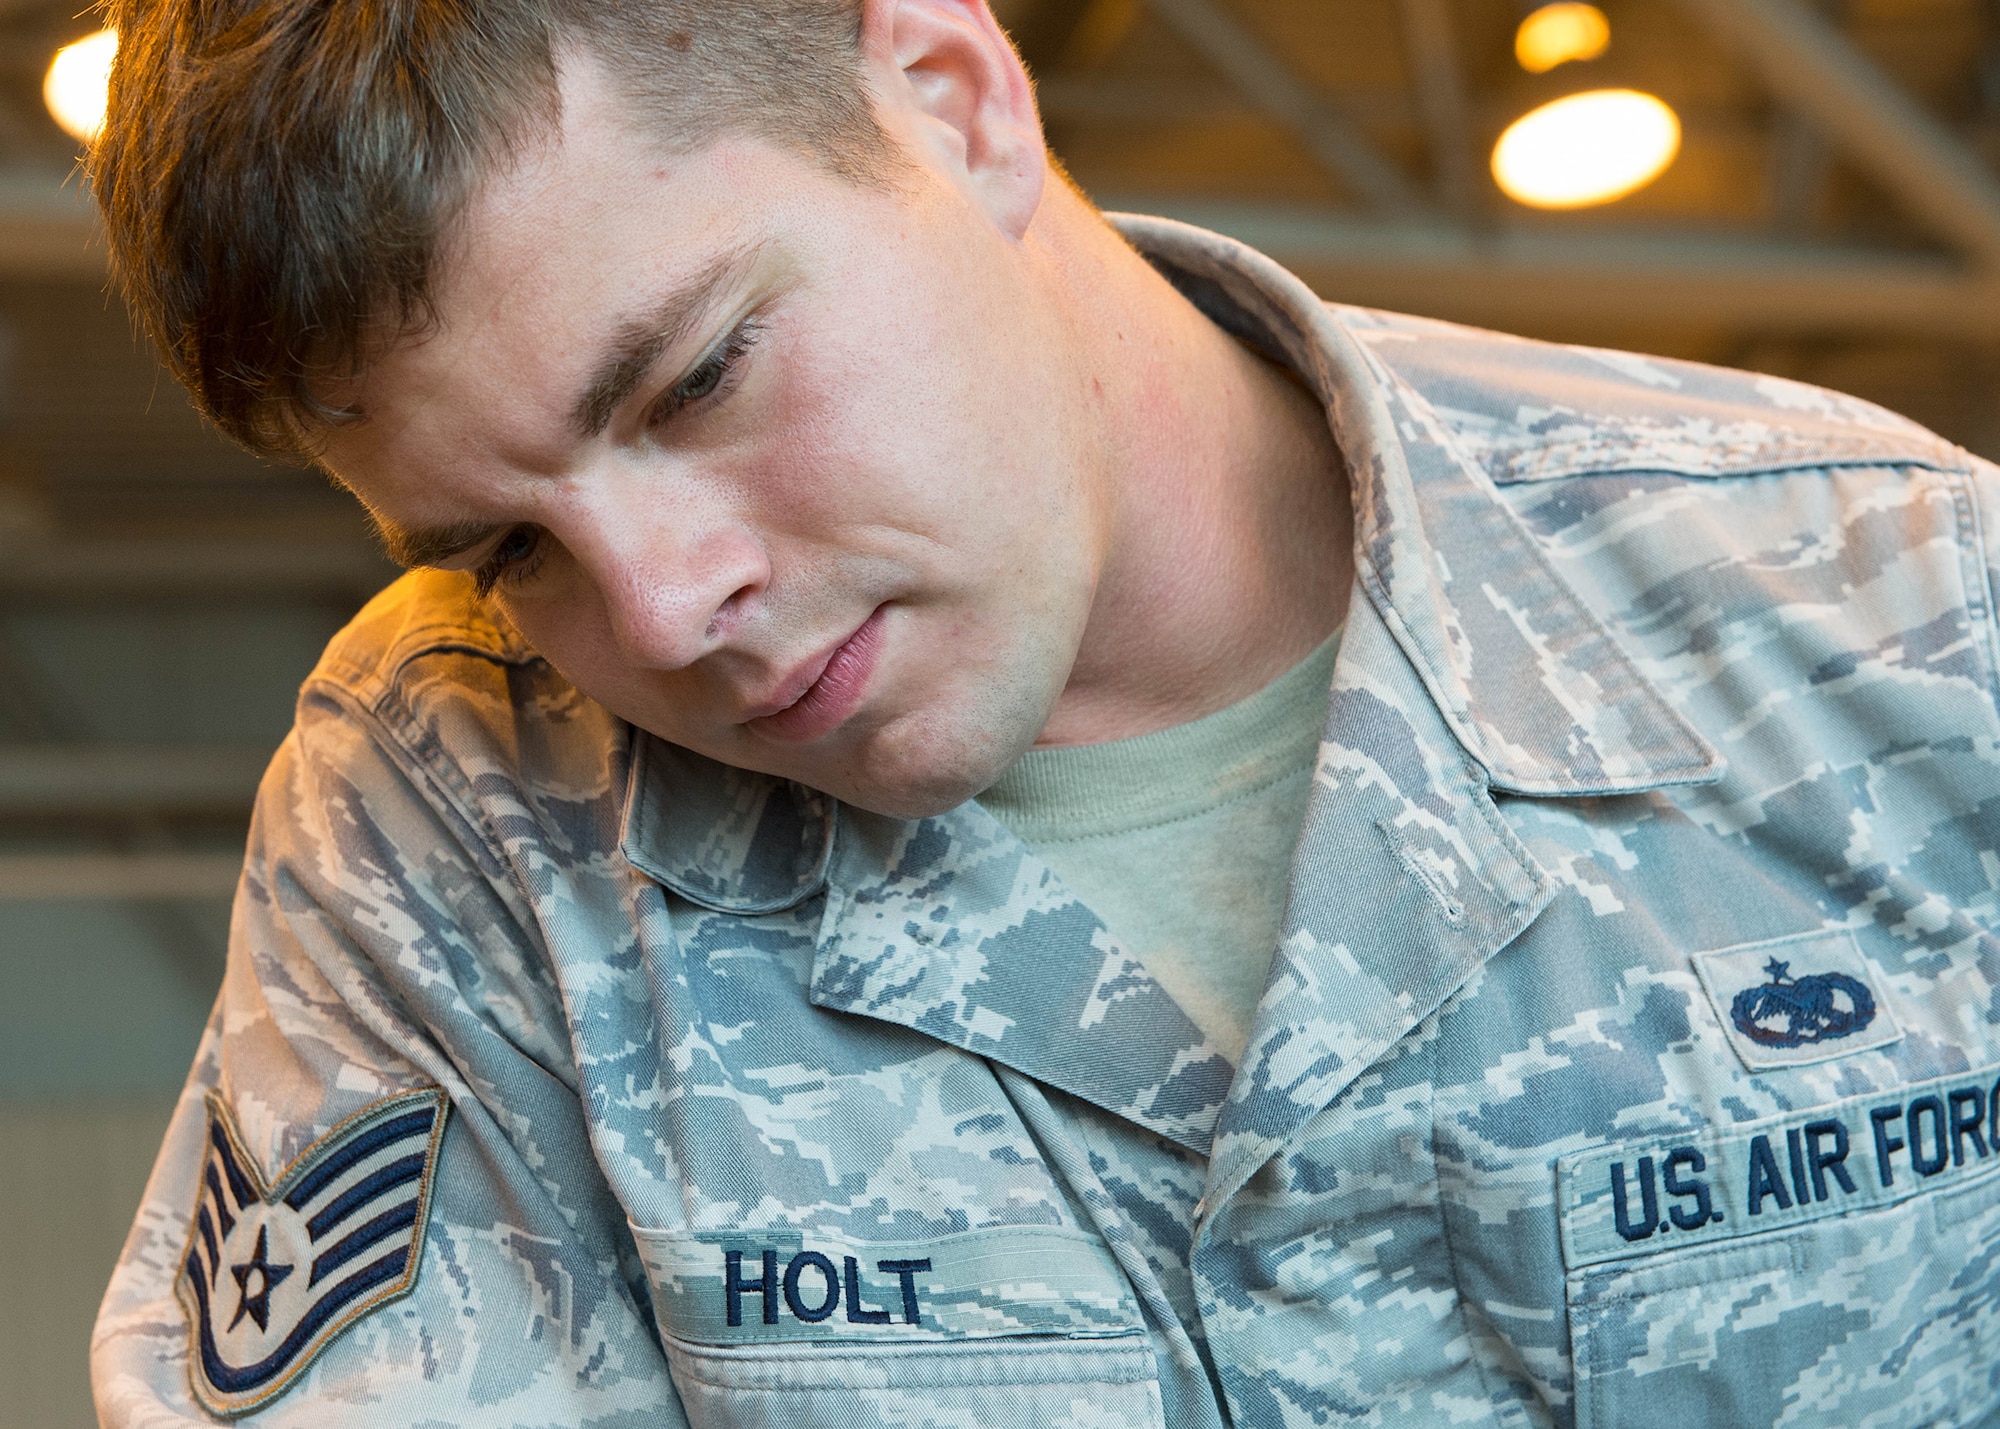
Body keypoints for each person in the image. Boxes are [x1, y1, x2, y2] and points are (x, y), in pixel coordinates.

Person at [84, 0, 2000, 1424]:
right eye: (508, 545)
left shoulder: (1899, 605)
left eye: (695, 380)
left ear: (951, 99)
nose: (664, 610)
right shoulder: (460, 810)